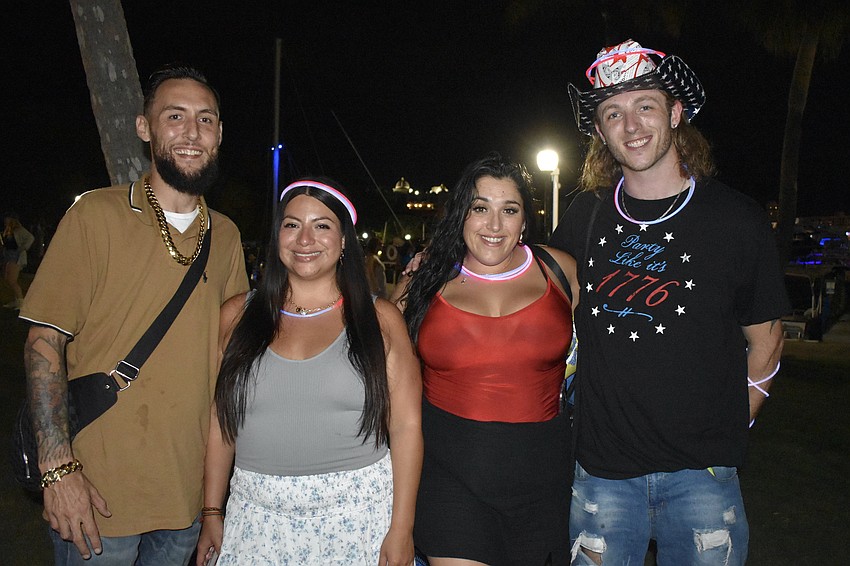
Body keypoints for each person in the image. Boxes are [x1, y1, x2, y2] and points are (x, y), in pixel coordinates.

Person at [549, 40, 791, 565]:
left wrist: (733, 425)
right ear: (600, 132)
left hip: (702, 477)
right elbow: (533, 291)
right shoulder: (583, 216)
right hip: (603, 474)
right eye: (613, 113)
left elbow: (767, 343)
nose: (631, 125)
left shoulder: (736, 219)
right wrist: (442, 266)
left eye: (645, 106)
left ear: (676, 113)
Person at [19, 63, 249, 564]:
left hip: (185, 499)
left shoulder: (227, 236)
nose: (192, 132)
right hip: (97, 497)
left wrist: (214, 501)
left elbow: (231, 359)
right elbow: (44, 342)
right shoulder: (95, 215)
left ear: (219, 133)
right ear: (145, 128)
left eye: (205, 119)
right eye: (175, 116)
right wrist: (57, 468)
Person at [196, 178, 423, 565]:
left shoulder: (379, 320)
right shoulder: (237, 316)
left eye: (321, 225)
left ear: (344, 240)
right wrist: (212, 511)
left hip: (358, 518)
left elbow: (406, 427)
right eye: (292, 224)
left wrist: (401, 529)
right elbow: (222, 421)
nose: (305, 239)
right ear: (277, 236)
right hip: (257, 519)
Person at [396, 152, 578, 566]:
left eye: (509, 210)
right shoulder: (424, 280)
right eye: (480, 208)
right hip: (449, 477)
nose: (494, 225)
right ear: (461, 214)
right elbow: (381, 371)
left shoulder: (560, 271)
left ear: (525, 220)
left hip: (544, 480)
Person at [2, 211, 35, 309]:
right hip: (9, 256)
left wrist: (22, 248)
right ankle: (16, 300)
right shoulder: (8, 230)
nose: (5, 221)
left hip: (16, 257)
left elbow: (30, 238)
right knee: (8, 279)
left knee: (12, 280)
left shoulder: (19, 230)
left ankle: (21, 302)